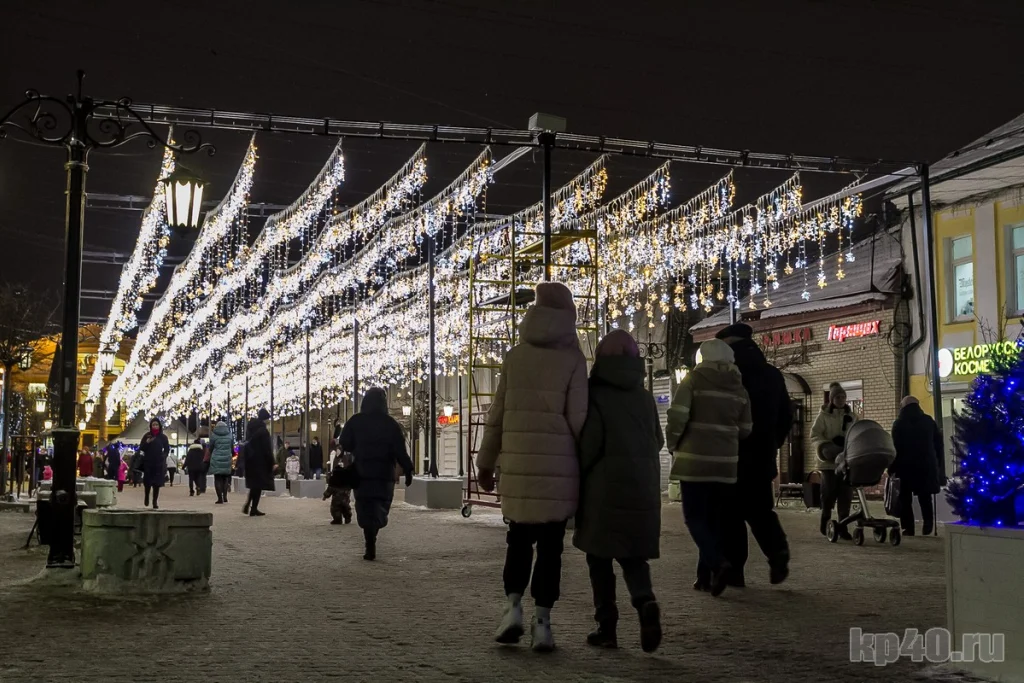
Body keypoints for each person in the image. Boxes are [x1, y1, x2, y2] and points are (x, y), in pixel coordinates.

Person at [476, 281, 588, 653]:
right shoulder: (574, 358)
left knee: (518, 542)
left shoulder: (516, 356)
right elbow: (579, 419)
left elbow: (497, 416)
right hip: (559, 470)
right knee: (552, 548)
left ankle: (512, 610)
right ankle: (543, 624)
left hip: (519, 467)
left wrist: (486, 462)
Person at [572, 330, 664, 653]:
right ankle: (645, 601)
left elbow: (589, 446)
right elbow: (659, 440)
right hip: (642, 488)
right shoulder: (644, 396)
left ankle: (606, 626)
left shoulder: (594, 395)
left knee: (599, 559)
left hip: (604, 491)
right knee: (634, 557)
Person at [666, 339, 752, 598]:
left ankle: (717, 563)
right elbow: (746, 429)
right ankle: (704, 577)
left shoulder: (692, 380)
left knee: (695, 518)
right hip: (726, 465)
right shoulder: (740, 388)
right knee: (714, 521)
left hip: (694, 461)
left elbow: (677, 415)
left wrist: (673, 443)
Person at [715, 323, 793, 587]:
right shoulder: (772, 374)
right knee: (761, 511)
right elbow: (786, 416)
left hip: (730, 455)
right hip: (761, 457)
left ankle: (735, 571)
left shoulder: (727, 373)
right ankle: (777, 552)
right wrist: (772, 443)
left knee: (731, 515)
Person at [340, 387, 414, 561]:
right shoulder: (390, 424)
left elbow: (345, 442)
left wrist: (357, 446)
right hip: (383, 473)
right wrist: (408, 469)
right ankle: (373, 533)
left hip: (362, 472)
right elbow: (400, 450)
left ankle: (369, 539)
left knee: (365, 505)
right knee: (380, 505)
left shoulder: (356, 421)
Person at [890, 396, 945, 536]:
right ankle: (928, 524)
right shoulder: (928, 421)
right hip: (926, 465)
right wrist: (937, 464)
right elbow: (939, 444)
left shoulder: (899, 423)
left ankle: (908, 528)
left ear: (903, 406)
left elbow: (895, 448)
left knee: (905, 499)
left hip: (905, 466)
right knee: (925, 496)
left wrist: (892, 468)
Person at [812, 382, 856, 540]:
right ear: (832, 399)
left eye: (843, 396)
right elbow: (815, 435)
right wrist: (826, 446)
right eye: (838, 397)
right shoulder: (823, 416)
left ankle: (843, 526)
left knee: (845, 495)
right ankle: (826, 521)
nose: (841, 399)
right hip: (829, 463)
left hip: (846, 462)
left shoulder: (851, 416)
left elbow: (856, 432)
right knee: (828, 493)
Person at [242, 409, 275, 517]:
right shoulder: (263, 431)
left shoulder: (250, 428)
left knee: (254, 485)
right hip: (260, 462)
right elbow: (267, 449)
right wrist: (272, 462)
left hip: (250, 461)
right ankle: (253, 508)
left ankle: (249, 506)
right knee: (258, 485)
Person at [139, 418, 170, 509]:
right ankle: (146, 496)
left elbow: (167, 449)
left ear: (159, 426)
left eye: (156, 425)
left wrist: (163, 456)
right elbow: (141, 448)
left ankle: (155, 501)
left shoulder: (163, 437)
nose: (155, 426)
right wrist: (147, 443)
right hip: (148, 462)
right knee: (147, 482)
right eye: (153, 425)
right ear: (151, 426)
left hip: (158, 463)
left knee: (157, 484)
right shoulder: (147, 436)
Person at [322, 441, 353, 524]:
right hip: (339, 487)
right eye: (337, 450)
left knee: (344, 505)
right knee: (336, 506)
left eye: (339, 450)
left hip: (344, 487)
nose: (337, 451)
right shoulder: (336, 459)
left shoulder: (345, 459)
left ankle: (347, 517)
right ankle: (338, 519)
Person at [208, 420, 234, 504]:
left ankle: (220, 498)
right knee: (225, 478)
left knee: (217, 478)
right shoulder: (230, 435)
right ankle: (225, 496)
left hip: (216, 459)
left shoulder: (214, 435)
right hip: (227, 458)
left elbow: (211, 447)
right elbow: (232, 447)